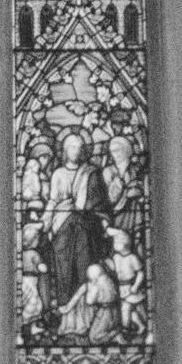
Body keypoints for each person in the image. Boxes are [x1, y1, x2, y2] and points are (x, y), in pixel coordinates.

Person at [41, 128, 108, 326]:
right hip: (61, 225)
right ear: (64, 150)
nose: (75, 151)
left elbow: (98, 202)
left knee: (84, 266)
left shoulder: (90, 172)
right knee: (63, 270)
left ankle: (85, 319)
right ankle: (66, 317)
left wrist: (99, 218)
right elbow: (53, 201)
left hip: (84, 228)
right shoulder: (58, 174)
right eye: (71, 147)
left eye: (79, 147)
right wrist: (46, 219)